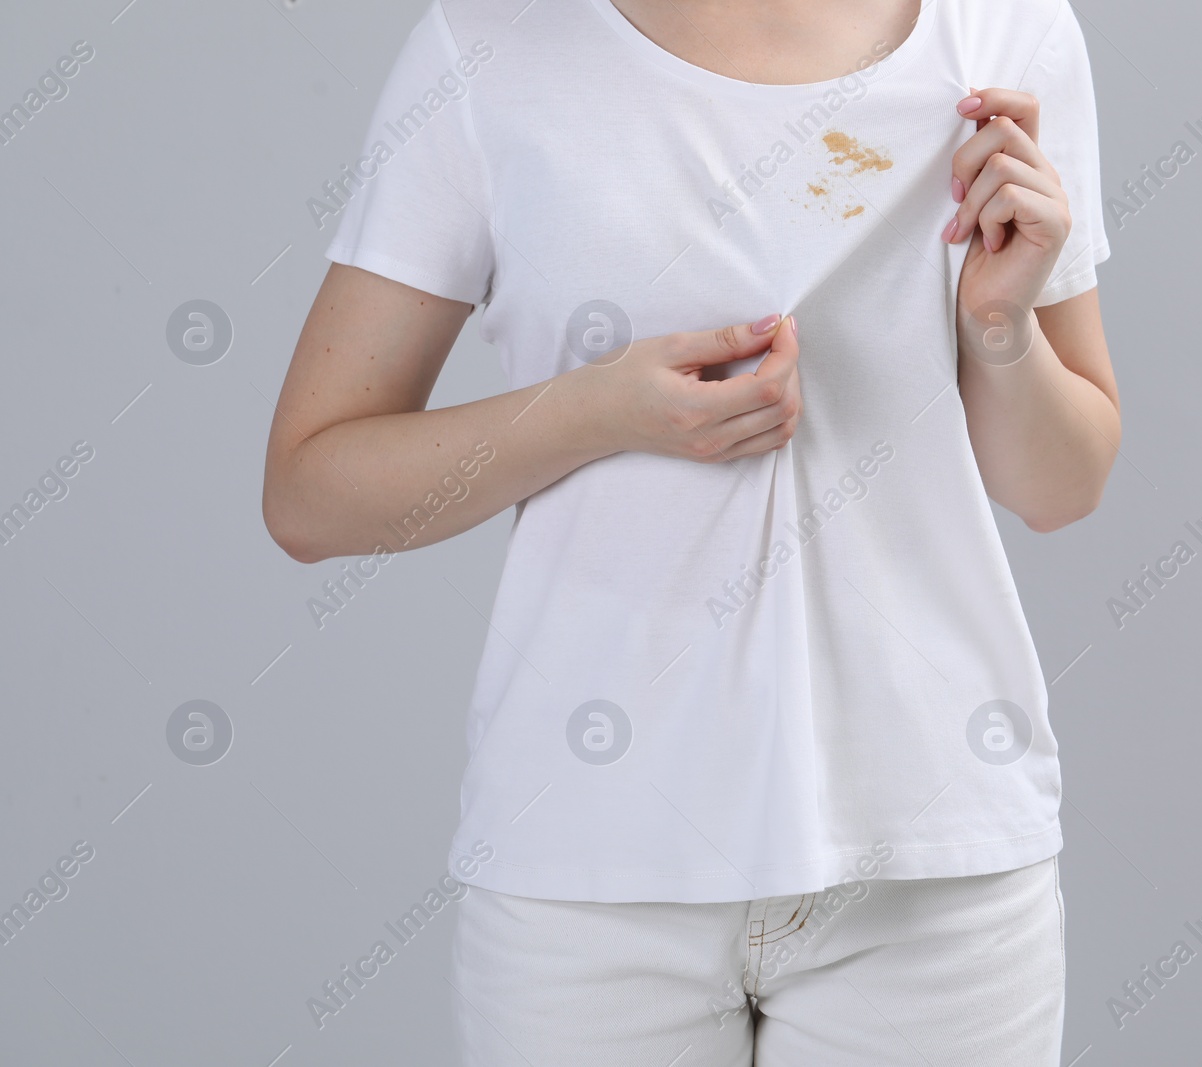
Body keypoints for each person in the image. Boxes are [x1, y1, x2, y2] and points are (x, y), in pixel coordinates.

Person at [262, 0, 1120, 1062]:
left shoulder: (1004, 34)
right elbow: (309, 492)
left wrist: (998, 323)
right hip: (589, 865)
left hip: (931, 862)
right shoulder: (486, 49)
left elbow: (1062, 484)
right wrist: (595, 409)